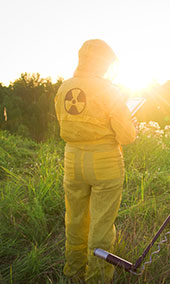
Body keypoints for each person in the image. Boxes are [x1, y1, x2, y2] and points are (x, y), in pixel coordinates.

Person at [55, 39, 136, 283]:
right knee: (101, 224)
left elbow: (64, 123)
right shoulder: (109, 90)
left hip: (72, 161)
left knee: (75, 218)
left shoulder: (63, 88)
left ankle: (73, 267)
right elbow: (127, 136)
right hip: (104, 162)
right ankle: (98, 277)